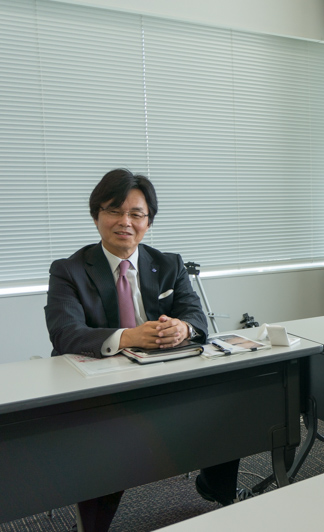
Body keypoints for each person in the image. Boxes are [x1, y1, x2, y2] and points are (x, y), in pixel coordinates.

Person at [45, 169, 239, 532]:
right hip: (100, 386)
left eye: (136, 214)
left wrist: (183, 328)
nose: (125, 222)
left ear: (148, 222)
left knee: (226, 402)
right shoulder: (69, 271)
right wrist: (129, 337)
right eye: (114, 211)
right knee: (107, 443)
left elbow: (196, 317)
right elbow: (65, 334)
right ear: (97, 215)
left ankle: (216, 488)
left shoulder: (168, 264)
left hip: (162, 376)